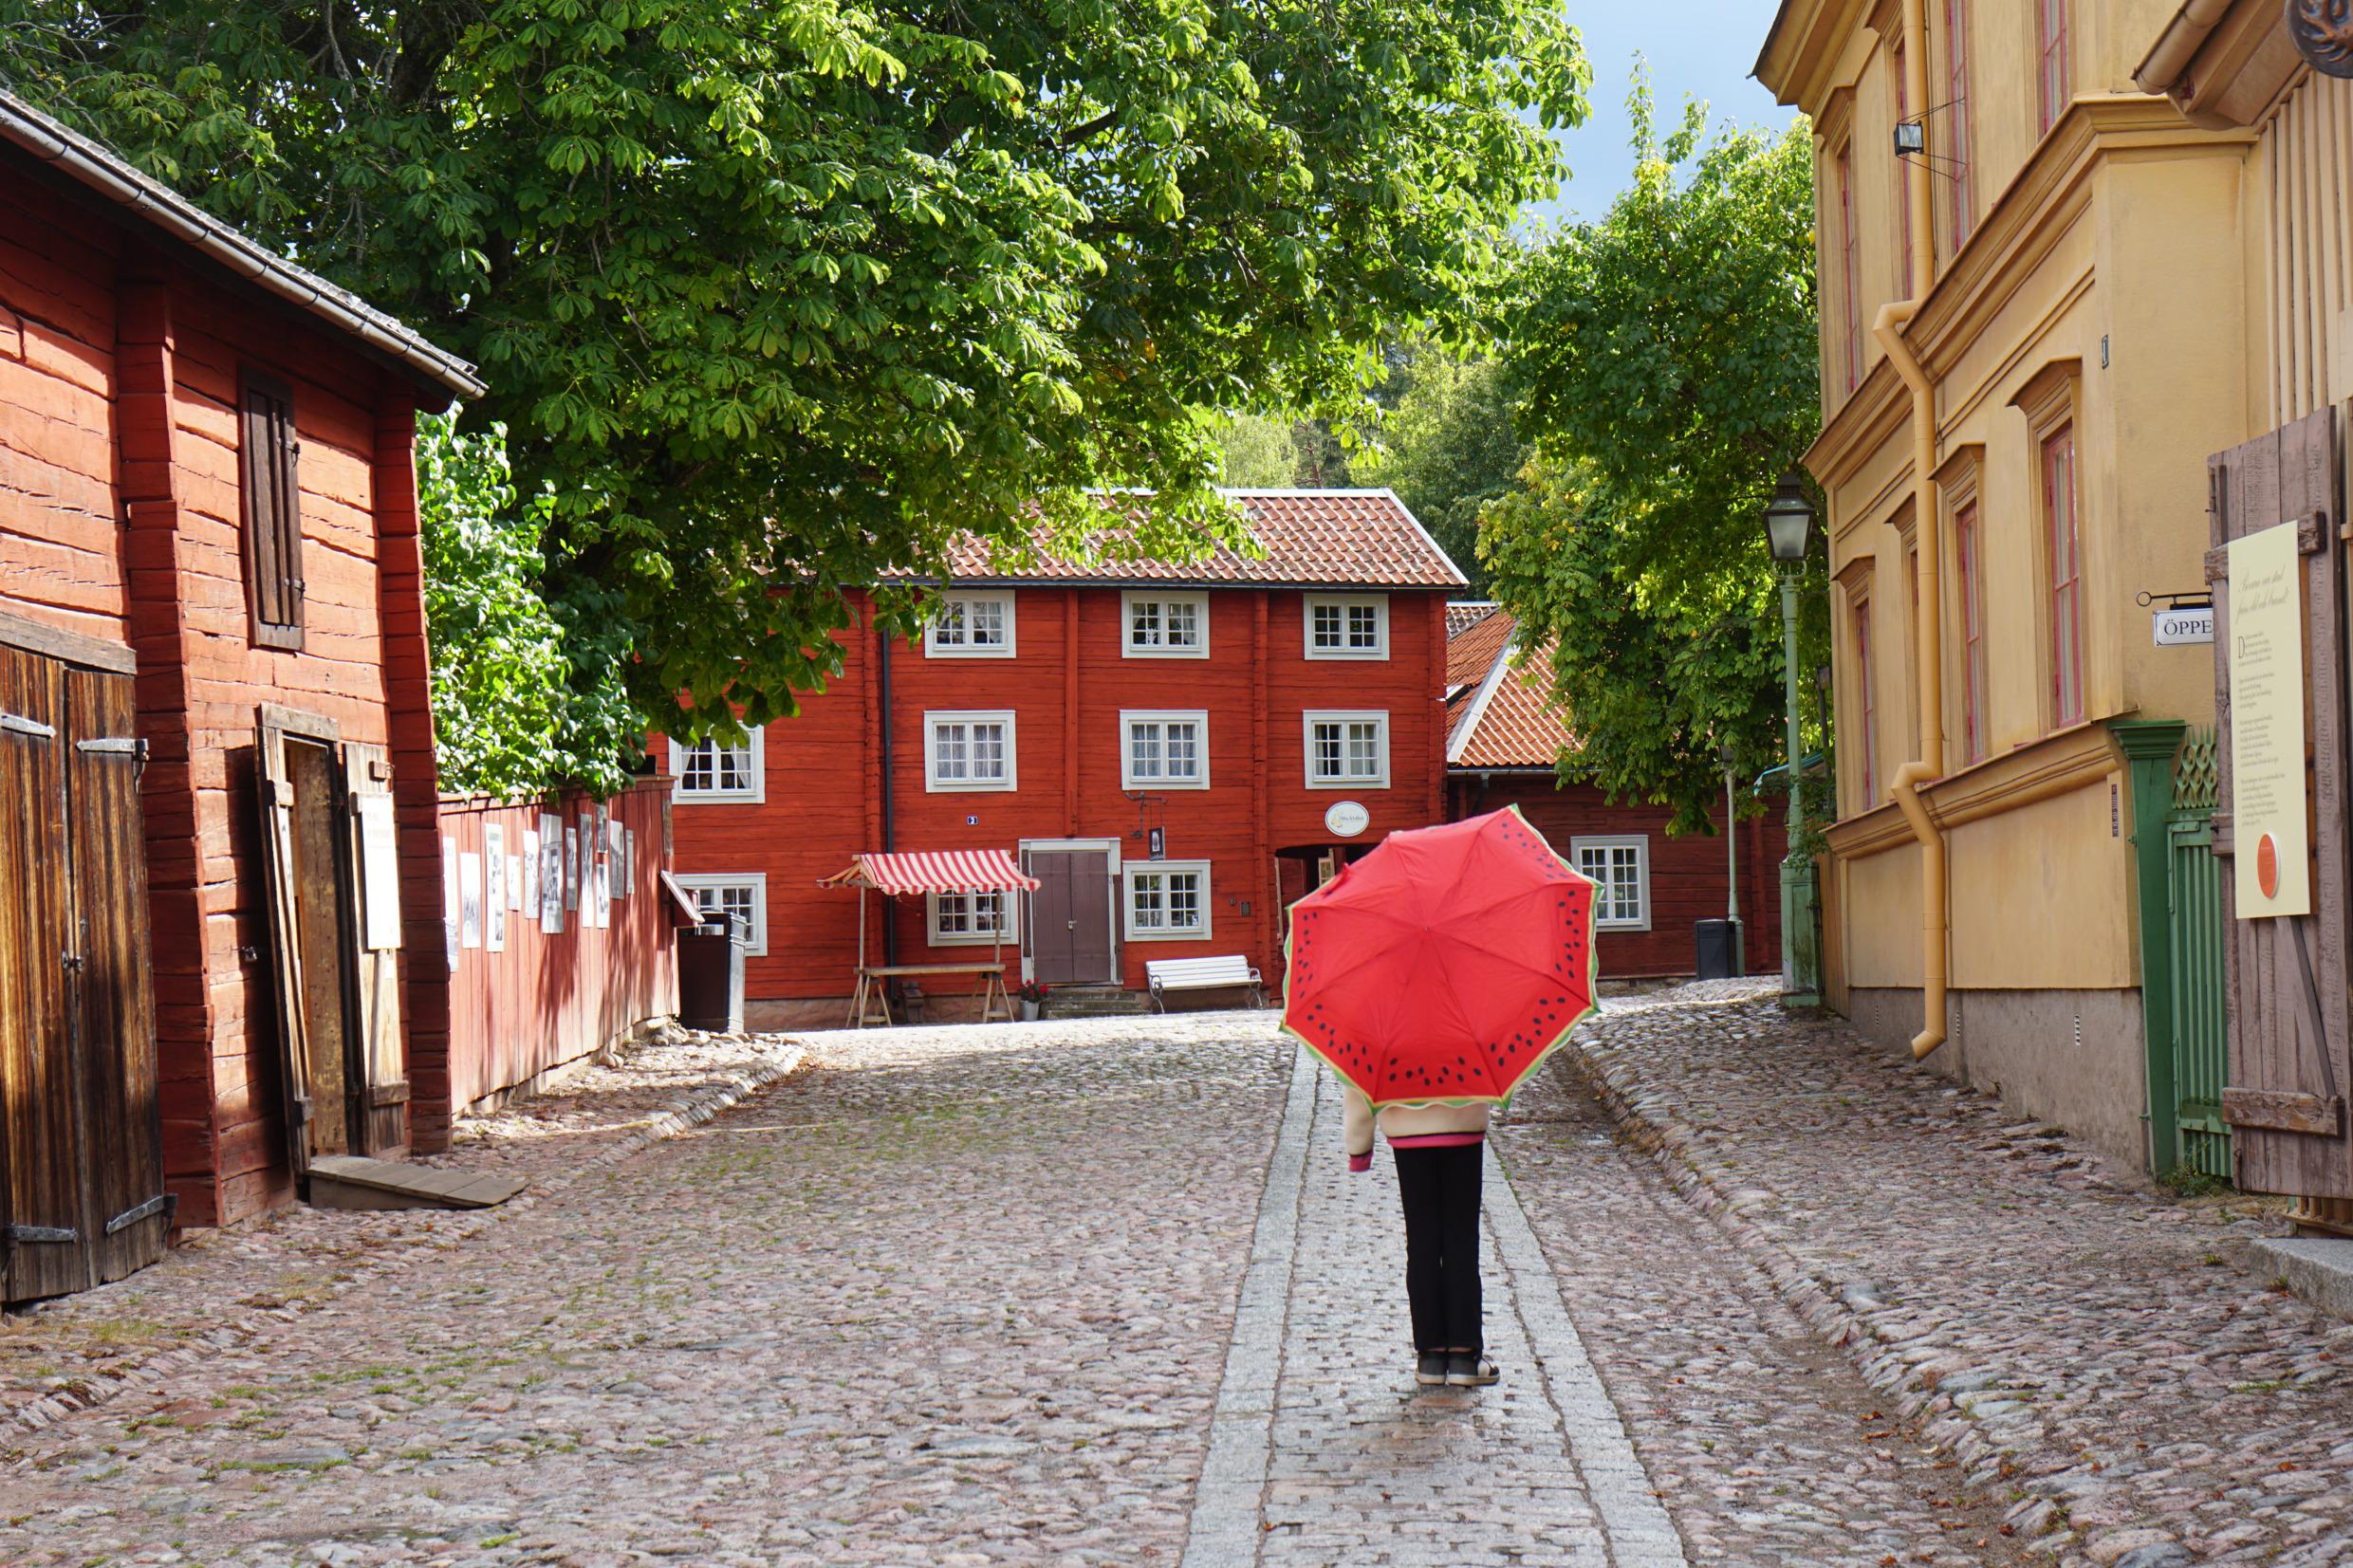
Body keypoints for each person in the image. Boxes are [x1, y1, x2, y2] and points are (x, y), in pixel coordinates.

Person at [1344, 1087, 1498, 1388]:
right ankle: (1465, 1357)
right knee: (1461, 1241)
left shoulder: (1385, 1036)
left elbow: (1357, 1079)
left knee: (1422, 1242)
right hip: (1463, 1120)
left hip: (1406, 1127)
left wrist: (1358, 1146)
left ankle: (1431, 1355)